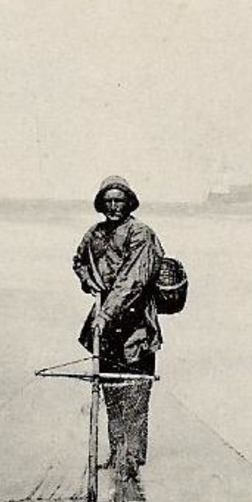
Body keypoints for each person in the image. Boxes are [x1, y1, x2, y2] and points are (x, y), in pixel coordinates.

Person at [73, 176, 164, 482]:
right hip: (106, 329)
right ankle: (116, 457)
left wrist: (106, 314)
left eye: (119, 201)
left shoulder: (142, 234)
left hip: (136, 327)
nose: (113, 206)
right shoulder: (95, 233)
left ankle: (132, 465)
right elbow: (79, 260)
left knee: (135, 396)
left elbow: (132, 282)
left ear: (129, 203)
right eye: (108, 201)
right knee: (111, 394)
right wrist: (88, 280)